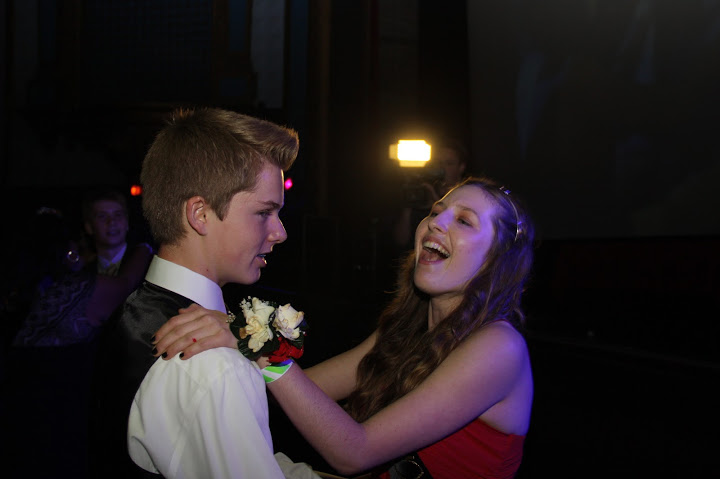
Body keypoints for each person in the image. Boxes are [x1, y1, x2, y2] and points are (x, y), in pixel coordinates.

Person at [153, 176, 536, 478]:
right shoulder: (405, 332)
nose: (436, 222)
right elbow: (299, 393)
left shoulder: (499, 347)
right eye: (436, 211)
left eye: (464, 221)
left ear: (495, 260)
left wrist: (259, 343)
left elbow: (355, 452)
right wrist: (221, 359)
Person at [90, 107, 319, 479]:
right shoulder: (213, 366)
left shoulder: (135, 309)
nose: (280, 232)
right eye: (264, 212)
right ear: (200, 214)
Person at [392, 137, 469, 250]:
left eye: (449, 163)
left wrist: (438, 205)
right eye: (438, 163)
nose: (443, 168)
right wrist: (408, 207)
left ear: (461, 167)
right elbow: (400, 241)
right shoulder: (422, 191)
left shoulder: (468, 196)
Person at [82, 189, 133, 276]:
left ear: (127, 222)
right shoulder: (84, 272)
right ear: (89, 227)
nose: (111, 222)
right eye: (102, 216)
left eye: (118, 215)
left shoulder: (147, 264)